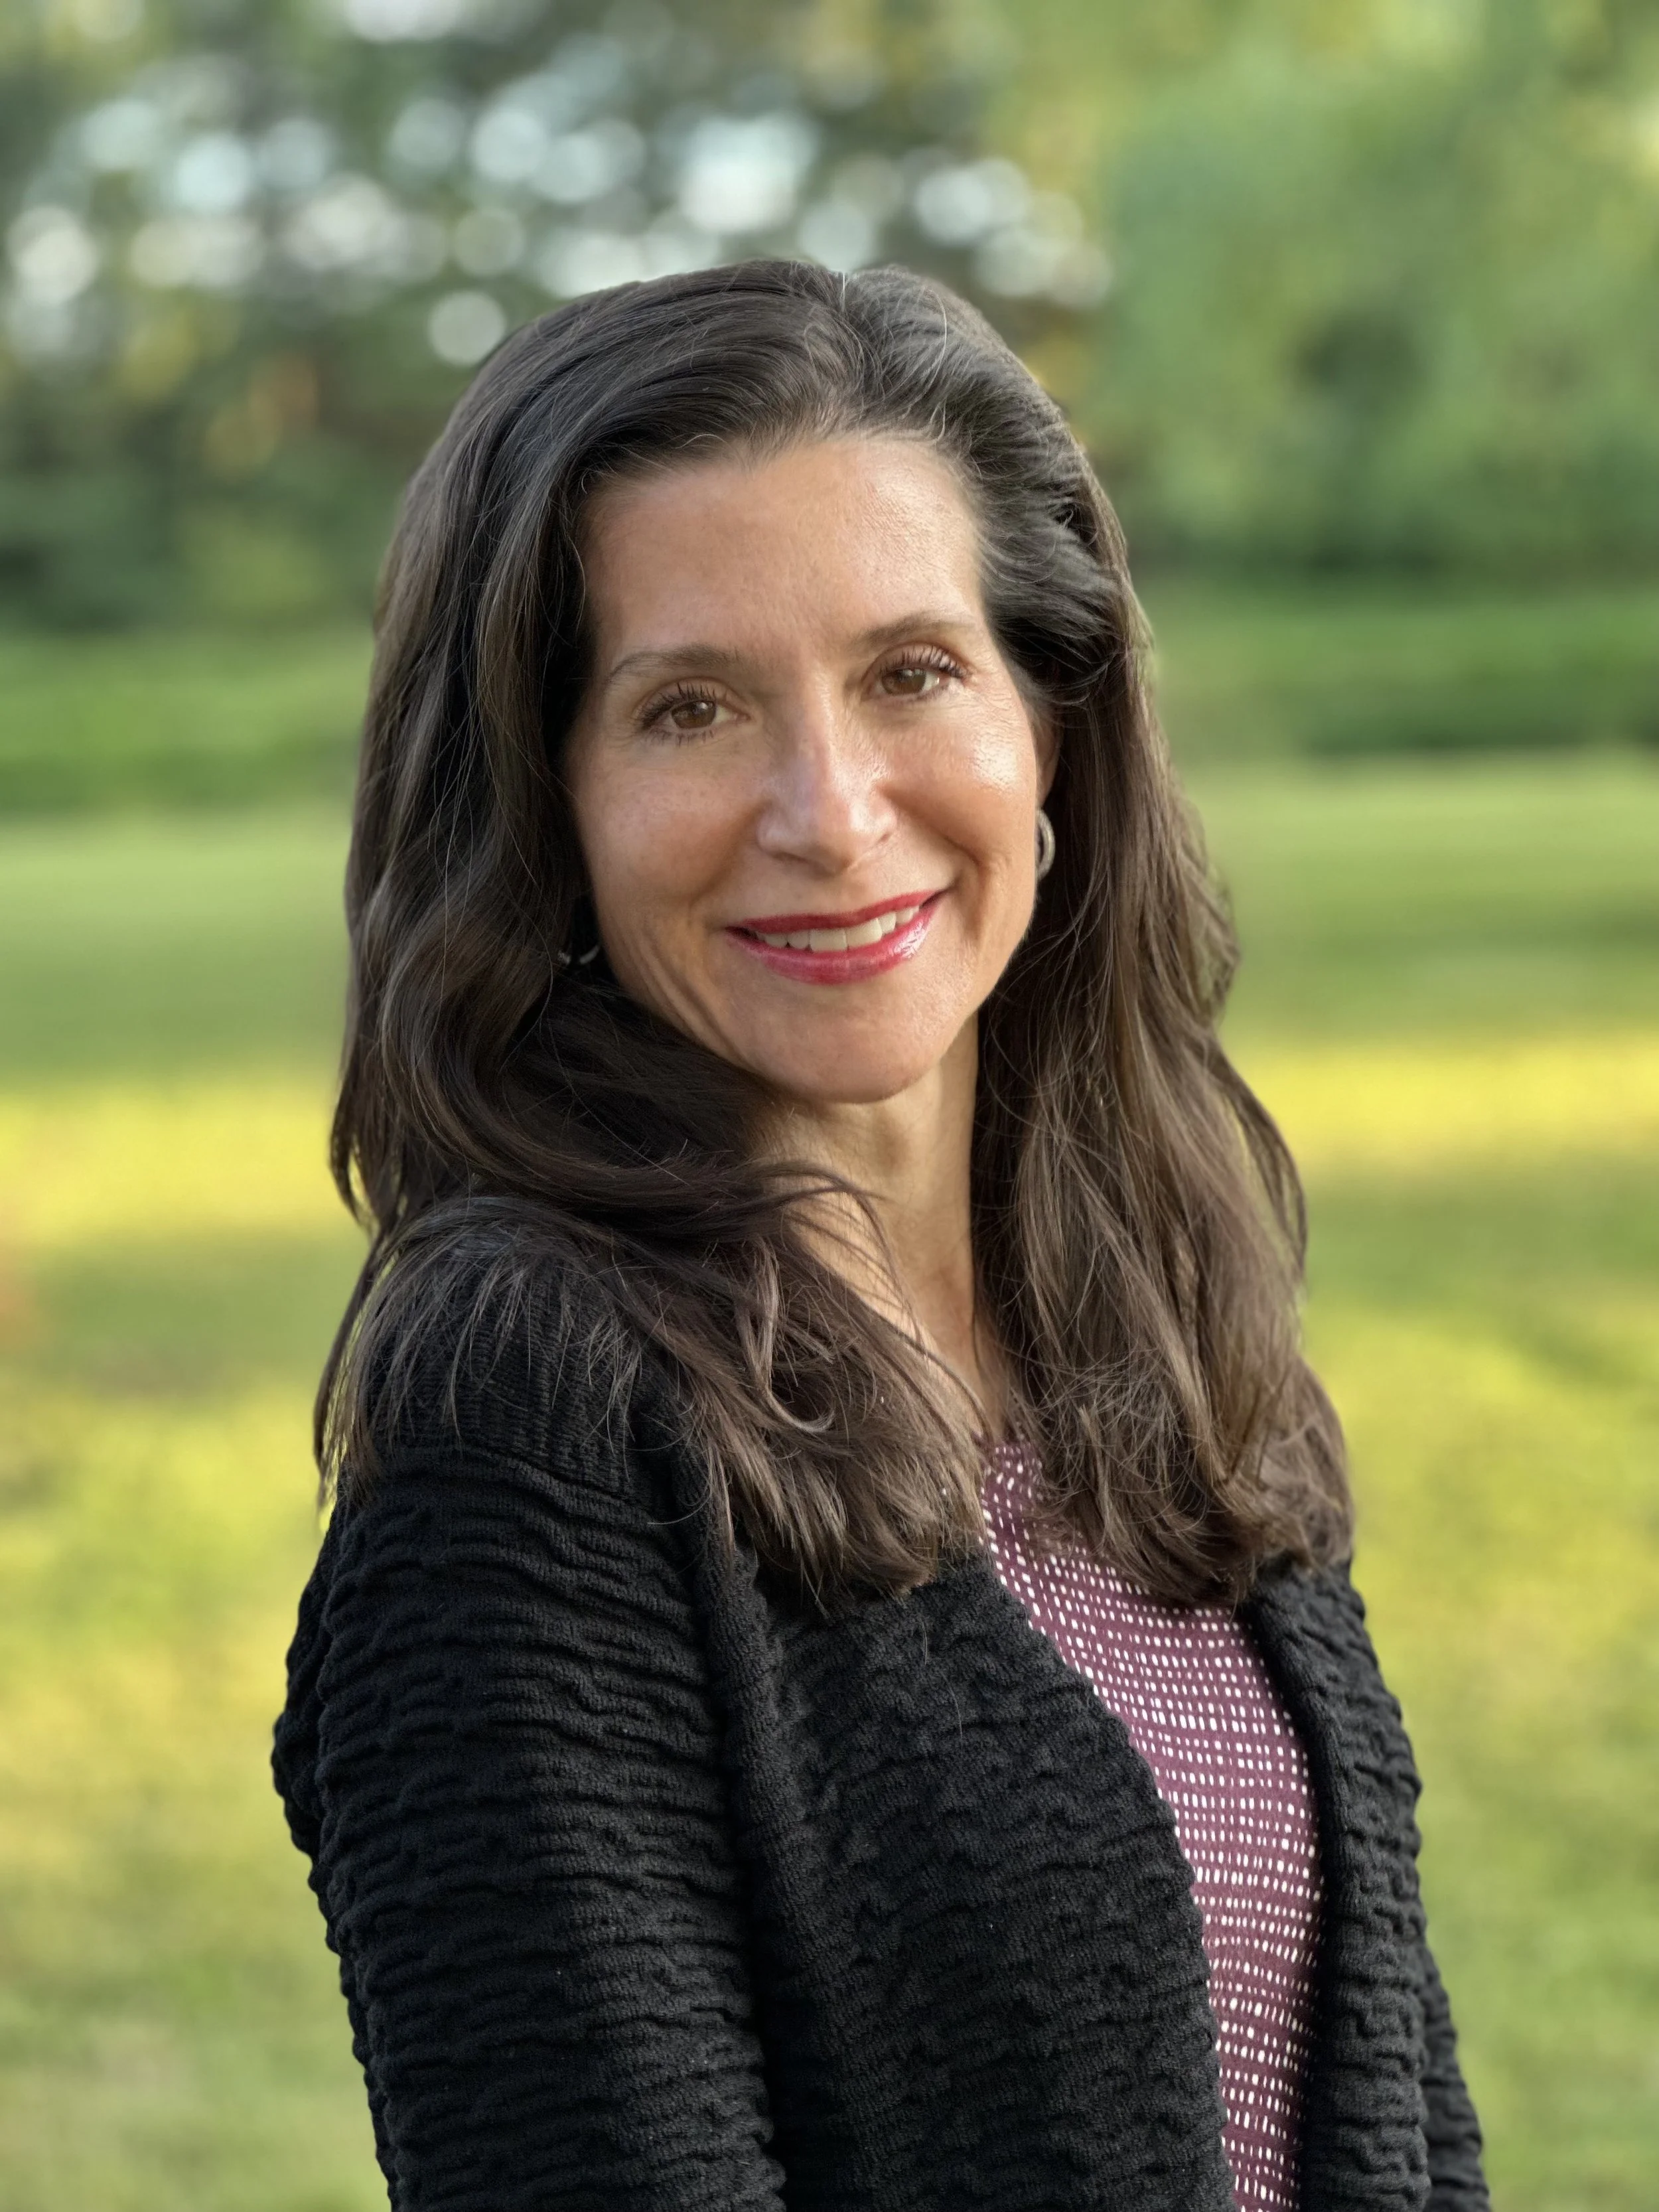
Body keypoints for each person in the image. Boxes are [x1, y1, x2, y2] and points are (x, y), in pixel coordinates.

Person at [273, 259, 1488, 2212]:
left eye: (909, 673)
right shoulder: (525, 1401)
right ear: (544, 802)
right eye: (688, 708)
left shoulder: (1149, 1304)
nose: (830, 814)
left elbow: (1397, 2118)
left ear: (1053, 721)